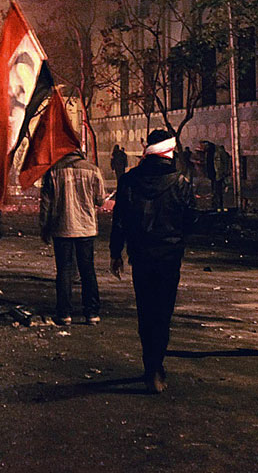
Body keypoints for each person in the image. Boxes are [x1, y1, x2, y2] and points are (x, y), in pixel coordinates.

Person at [110, 128, 195, 394]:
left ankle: (150, 365)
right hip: (169, 256)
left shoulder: (129, 180)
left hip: (141, 255)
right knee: (163, 311)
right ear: (170, 151)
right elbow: (190, 220)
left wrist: (116, 252)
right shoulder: (181, 181)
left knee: (145, 310)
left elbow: (119, 220)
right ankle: (158, 365)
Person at [40, 148, 106, 326]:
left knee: (64, 270)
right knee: (87, 270)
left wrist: (44, 228)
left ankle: (64, 313)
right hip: (86, 228)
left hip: (62, 227)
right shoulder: (92, 170)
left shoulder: (53, 171)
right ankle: (92, 313)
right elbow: (100, 200)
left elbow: (46, 203)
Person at [211, 143, 230, 210]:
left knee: (217, 189)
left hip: (219, 175)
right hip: (221, 174)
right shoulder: (224, 154)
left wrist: (219, 173)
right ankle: (218, 203)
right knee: (219, 190)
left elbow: (218, 165)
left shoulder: (218, 153)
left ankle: (217, 203)